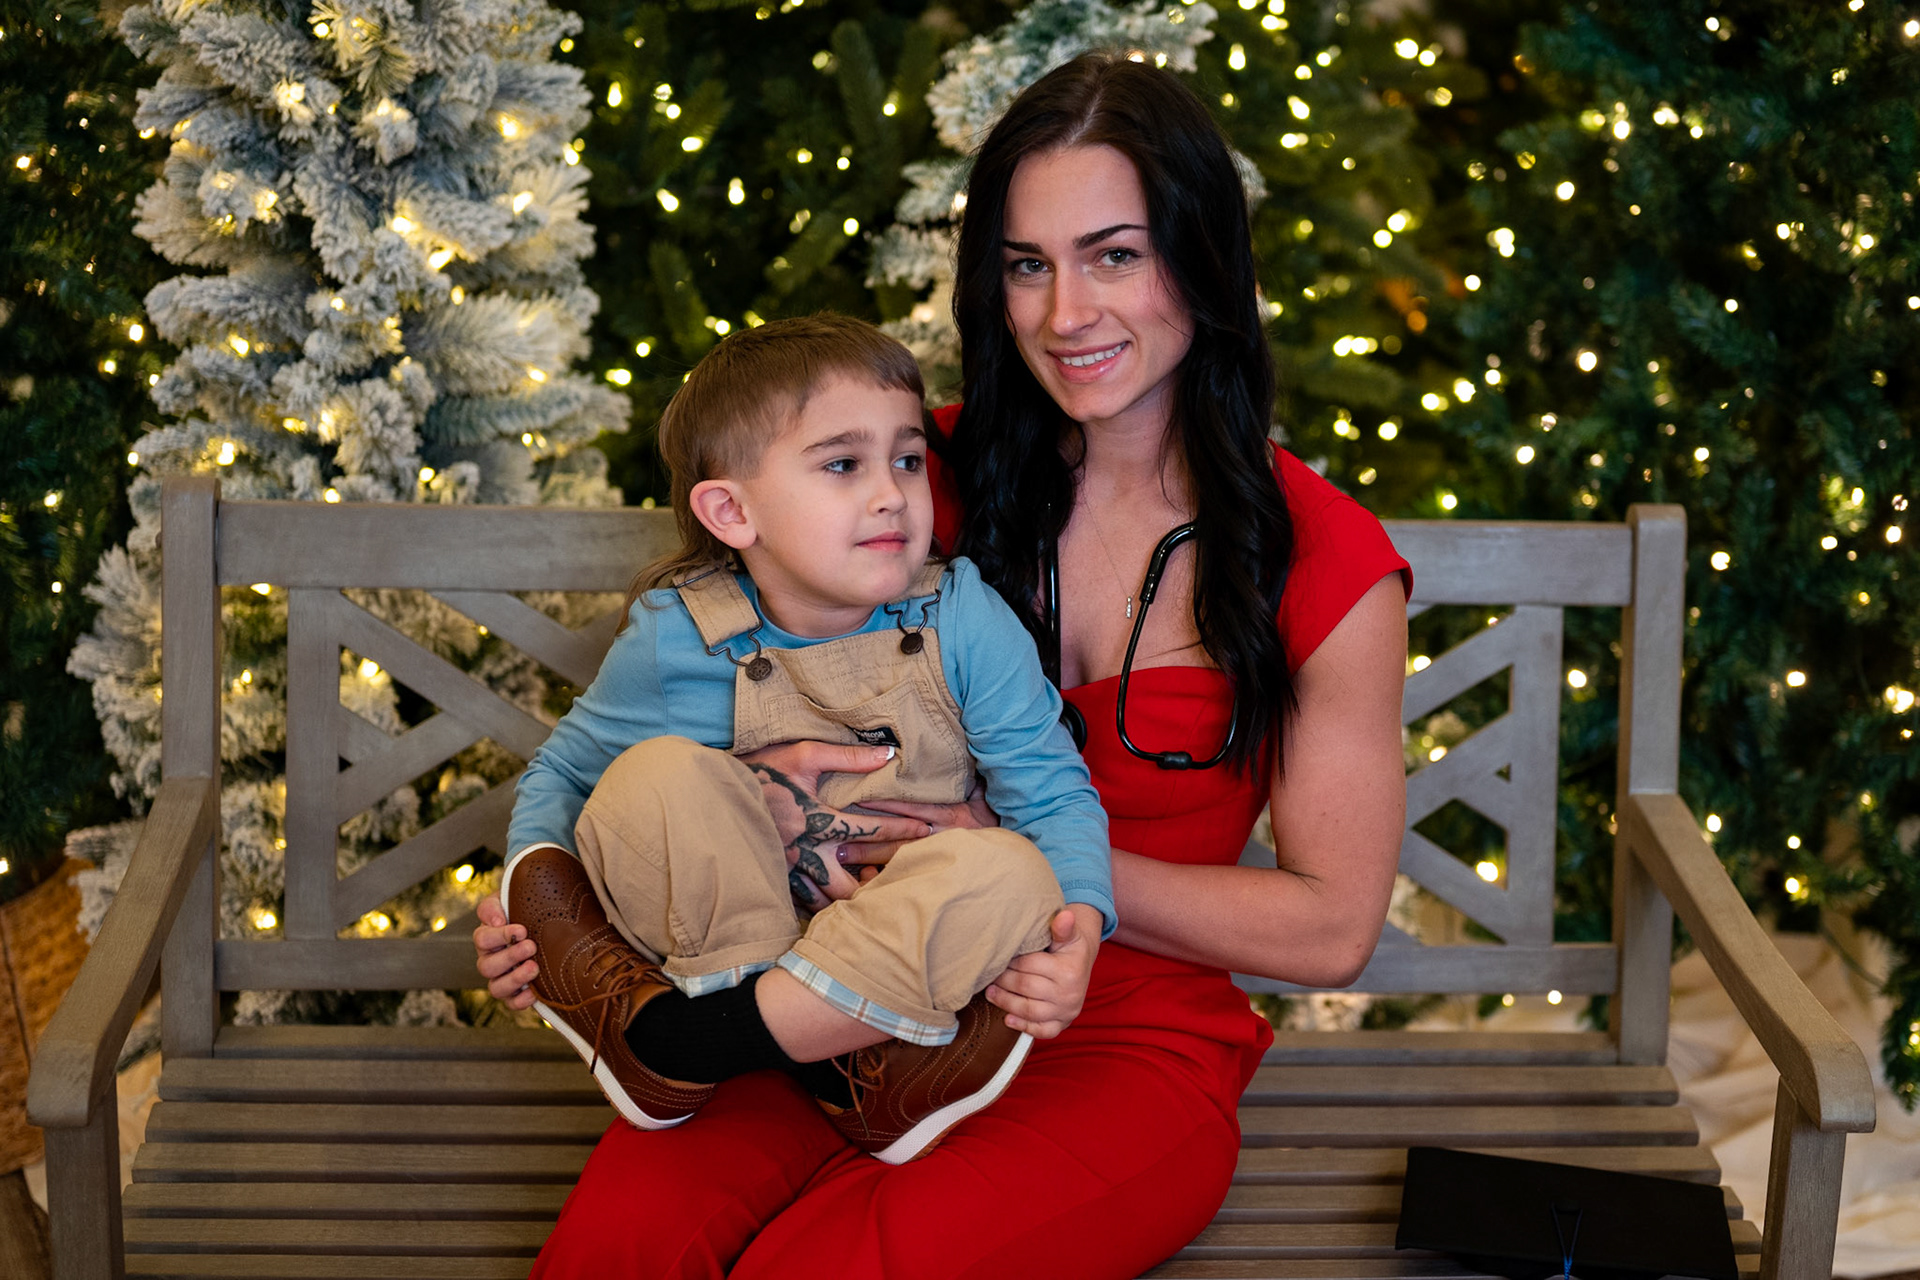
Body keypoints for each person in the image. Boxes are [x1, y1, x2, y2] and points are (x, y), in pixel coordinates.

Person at [474, 51, 1410, 1279]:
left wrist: (1016, 856)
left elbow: (1333, 928)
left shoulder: (1323, 558)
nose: (1066, 313)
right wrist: (552, 908)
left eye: (1114, 255)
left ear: (1203, 257)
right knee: (621, 1247)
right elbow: (679, 712)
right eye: (1027, 264)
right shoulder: (898, 481)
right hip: (826, 993)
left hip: (1119, 1034)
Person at [500, 313, 1114, 1163]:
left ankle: (686, 1048)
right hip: (723, 941)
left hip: (885, 945)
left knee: (1014, 871)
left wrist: (1079, 929)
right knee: (656, 776)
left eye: (907, 459)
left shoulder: (962, 616)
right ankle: (822, 1052)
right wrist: (531, 911)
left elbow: (1050, 790)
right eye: (842, 464)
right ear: (731, 511)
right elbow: (566, 775)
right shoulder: (679, 637)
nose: (891, 493)